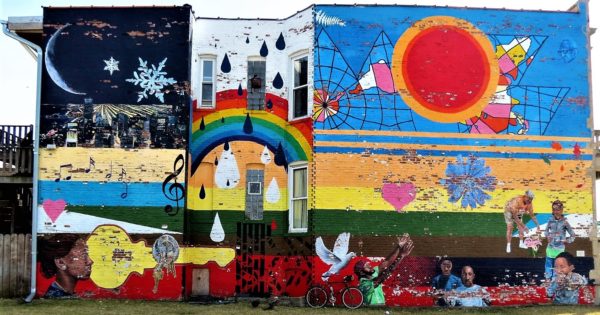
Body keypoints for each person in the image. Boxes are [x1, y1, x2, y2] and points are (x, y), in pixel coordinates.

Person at [354, 234, 414, 306]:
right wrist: (401, 256)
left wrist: (398, 247)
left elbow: (387, 262)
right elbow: (385, 275)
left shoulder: (372, 274)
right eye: (366, 266)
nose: (370, 265)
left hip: (381, 307)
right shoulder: (364, 284)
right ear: (361, 272)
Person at [544, 200, 576, 280]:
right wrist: (547, 236)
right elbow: (546, 231)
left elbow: (573, 235)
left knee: (557, 264)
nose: (556, 212)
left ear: (561, 210)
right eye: (554, 210)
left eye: (558, 210)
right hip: (550, 247)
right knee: (548, 264)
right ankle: (547, 279)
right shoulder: (550, 220)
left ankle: (555, 279)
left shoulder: (565, 222)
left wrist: (567, 241)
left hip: (560, 248)